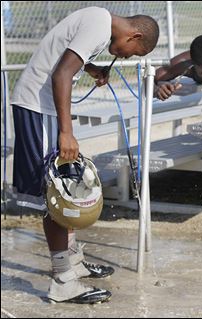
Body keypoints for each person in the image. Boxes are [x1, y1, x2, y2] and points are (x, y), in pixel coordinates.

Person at [11, 6, 159, 304]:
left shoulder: (99, 21)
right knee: (59, 192)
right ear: (134, 35)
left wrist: (91, 69)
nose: (126, 58)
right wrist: (67, 132)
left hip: (43, 109)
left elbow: (67, 60)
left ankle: (74, 261)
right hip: (38, 109)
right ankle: (63, 281)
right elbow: (61, 74)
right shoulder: (99, 25)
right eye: (131, 53)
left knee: (68, 185)